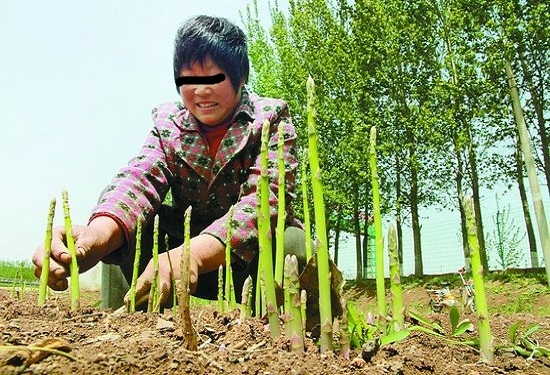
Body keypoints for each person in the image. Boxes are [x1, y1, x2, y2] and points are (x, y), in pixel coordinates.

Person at [32, 15, 304, 307]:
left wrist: (194, 255)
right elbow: (139, 180)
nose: (201, 90)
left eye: (215, 78)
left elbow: (263, 203)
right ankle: (124, 321)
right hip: (171, 256)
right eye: (189, 79)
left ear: (241, 78)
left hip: (245, 261)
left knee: (292, 243)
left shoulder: (271, 119)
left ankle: (276, 333)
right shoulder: (168, 123)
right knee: (124, 226)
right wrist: (96, 235)